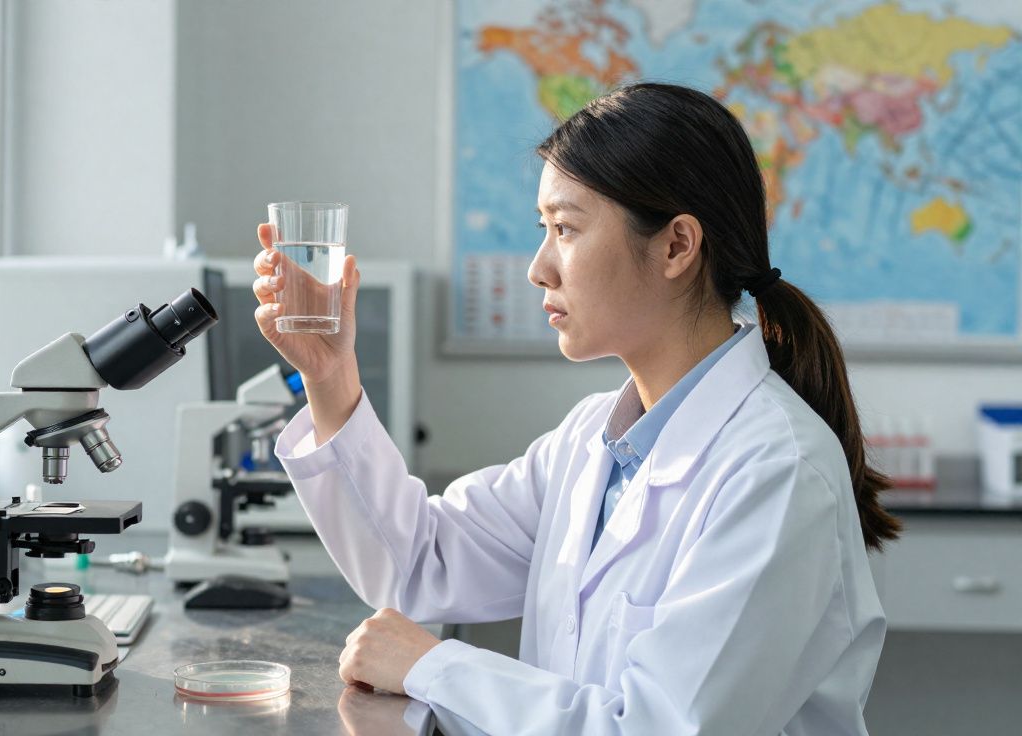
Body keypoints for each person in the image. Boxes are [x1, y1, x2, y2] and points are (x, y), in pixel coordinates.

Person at [250, 82, 899, 735]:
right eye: (545, 230)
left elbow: (657, 727)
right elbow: (420, 562)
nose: (538, 268)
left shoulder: (777, 472)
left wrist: (433, 666)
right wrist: (330, 376)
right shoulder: (594, 440)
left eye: (565, 229)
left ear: (676, 246)